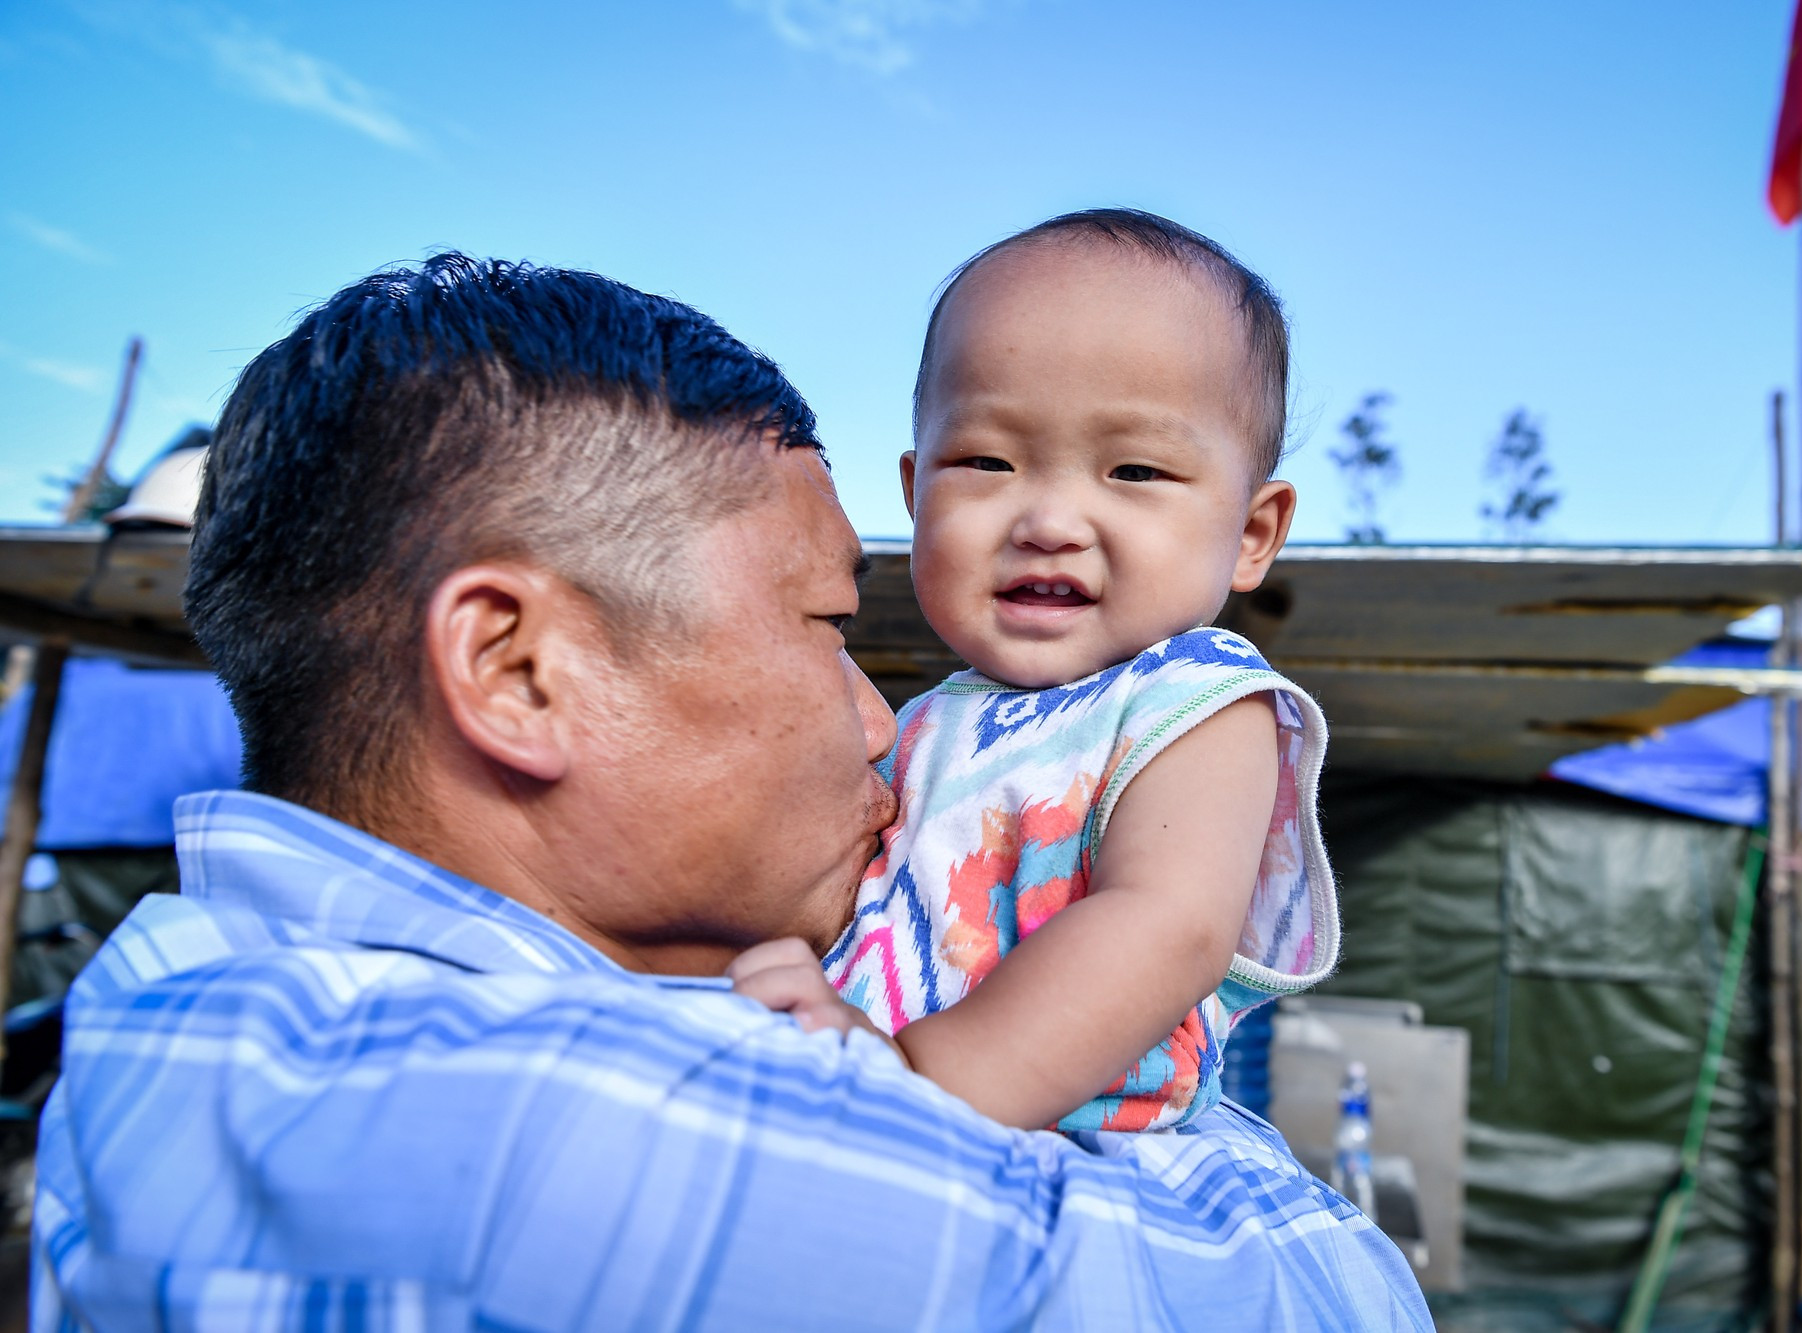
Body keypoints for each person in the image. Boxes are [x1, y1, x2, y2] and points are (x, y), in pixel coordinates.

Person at [30, 254, 1432, 1330]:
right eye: (831, 630)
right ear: (518, 670)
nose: (884, 721)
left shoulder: (220, 1003)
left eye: (1131, 468)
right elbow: (1334, 1288)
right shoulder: (501, 1122)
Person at [802, 210, 1336, 1135]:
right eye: (987, 460)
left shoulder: (1197, 703)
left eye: (1131, 469)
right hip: (871, 1096)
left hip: (1088, 1153)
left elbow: (1167, 926)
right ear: (916, 489)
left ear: (1252, 533)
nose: (1048, 517)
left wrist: (919, 1076)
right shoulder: (925, 722)